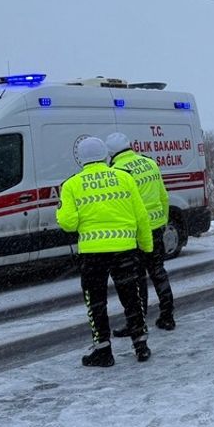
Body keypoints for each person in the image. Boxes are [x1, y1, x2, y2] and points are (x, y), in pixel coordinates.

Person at [56, 136, 153, 366]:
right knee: (131, 296)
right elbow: (141, 217)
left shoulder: (71, 185)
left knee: (96, 301)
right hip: (124, 249)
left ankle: (103, 350)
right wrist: (146, 247)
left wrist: (59, 213)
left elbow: (68, 223)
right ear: (105, 155)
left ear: (80, 159)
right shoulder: (124, 178)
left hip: (93, 254)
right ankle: (141, 344)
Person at [105, 132, 176, 333]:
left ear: (111, 153)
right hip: (155, 228)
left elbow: (120, 206)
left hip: (135, 233)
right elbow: (163, 196)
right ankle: (167, 316)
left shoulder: (118, 171)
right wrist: (161, 222)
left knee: (136, 279)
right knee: (158, 272)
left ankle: (137, 322)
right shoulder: (149, 163)